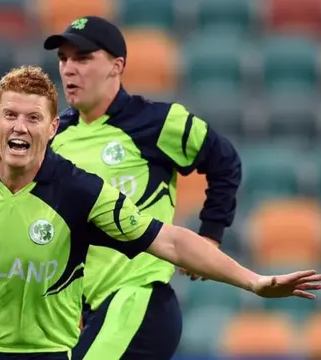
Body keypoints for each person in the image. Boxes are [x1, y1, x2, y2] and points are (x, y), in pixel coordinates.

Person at [0, 66, 321, 360]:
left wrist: (255, 282)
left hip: (37, 351)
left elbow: (169, 239)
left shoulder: (79, 191)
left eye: (33, 117)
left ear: (53, 128)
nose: (20, 127)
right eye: (10, 115)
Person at [43, 16, 243, 359]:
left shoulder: (157, 121)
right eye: (63, 59)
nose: (68, 69)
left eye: (83, 58)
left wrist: (210, 235)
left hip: (138, 300)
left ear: (116, 66)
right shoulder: (54, 136)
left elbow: (224, 160)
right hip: (84, 313)